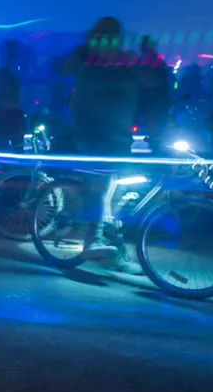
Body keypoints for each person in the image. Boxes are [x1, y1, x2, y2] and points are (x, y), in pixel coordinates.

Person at [60, 18, 149, 273]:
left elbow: (140, 83)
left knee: (112, 192)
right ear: (93, 39)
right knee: (99, 188)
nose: (108, 43)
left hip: (118, 137)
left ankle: (112, 251)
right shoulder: (87, 63)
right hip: (94, 136)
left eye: (113, 38)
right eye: (102, 37)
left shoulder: (121, 61)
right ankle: (92, 241)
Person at [0, 41, 25, 149]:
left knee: (4, 144)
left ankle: (6, 163)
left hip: (4, 114)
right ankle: (15, 164)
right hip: (11, 114)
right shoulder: (14, 75)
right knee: (16, 145)